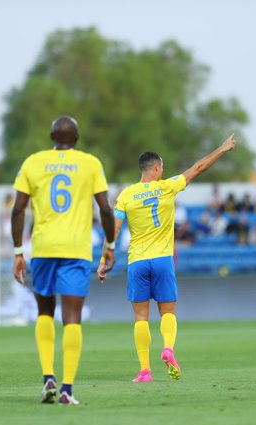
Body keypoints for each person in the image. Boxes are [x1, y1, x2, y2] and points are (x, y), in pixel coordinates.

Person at [97, 134, 236, 383]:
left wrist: (104, 259)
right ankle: (168, 349)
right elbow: (198, 168)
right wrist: (222, 149)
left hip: (137, 261)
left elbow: (114, 231)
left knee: (140, 318)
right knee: (168, 312)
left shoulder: (126, 195)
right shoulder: (168, 186)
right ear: (158, 168)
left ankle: (144, 371)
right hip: (162, 259)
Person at [11, 116, 115, 405]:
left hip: (43, 248)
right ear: (77, 138)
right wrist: (111, 245)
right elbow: (105, 209)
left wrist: (19, 251)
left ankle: (48, 379)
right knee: (72, 319)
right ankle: (67, 389)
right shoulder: (90, 163)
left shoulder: (33, 162)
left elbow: (18, 210)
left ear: (50, 136)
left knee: (45, 312)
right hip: (76, 249)